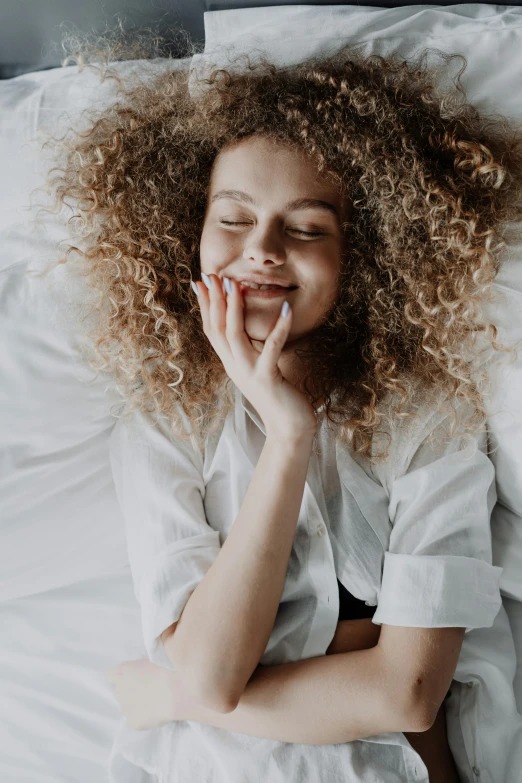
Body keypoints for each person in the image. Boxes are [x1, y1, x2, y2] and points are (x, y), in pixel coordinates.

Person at [38, 36, 522, 783]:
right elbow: (211, 670)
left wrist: (170, 693)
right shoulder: (166, 418)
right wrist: (289, 437)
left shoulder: (426, 415)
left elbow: (409, 691)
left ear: (362, 255)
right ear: (188, 232)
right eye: (233, 218)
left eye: (305, 228)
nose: (262, 248)